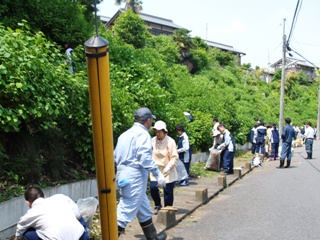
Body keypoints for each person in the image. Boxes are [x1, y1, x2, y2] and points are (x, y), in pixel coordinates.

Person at [114, 107, 167, 239]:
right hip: (135, 176)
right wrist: (157, 174)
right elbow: (144, 158)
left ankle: (153, 237)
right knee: (124, 212)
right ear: (148, 120)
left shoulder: (124, 135)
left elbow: (115, 156)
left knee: (143, 210)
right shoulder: (143, 134)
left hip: (123, 174)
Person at [14, 187, 88, 240]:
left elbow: (18, 234)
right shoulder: (60, 197)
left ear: (28, 203)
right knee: (79, 219)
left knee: (26, 232)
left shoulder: (29, 215)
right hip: (81, 236)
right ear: (44, 196)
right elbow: (78, 217)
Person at [150, 121, 178, 214]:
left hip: (167, 168)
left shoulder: (170, 141)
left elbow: (174, 157)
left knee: (167, 190)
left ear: (164, 132)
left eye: (159, 132)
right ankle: (158, 205)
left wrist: (169, 167)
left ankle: (168, 208)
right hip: (156, 168)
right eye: (156, 132)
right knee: (153, 187)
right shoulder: (152, 140)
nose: (157, 134)